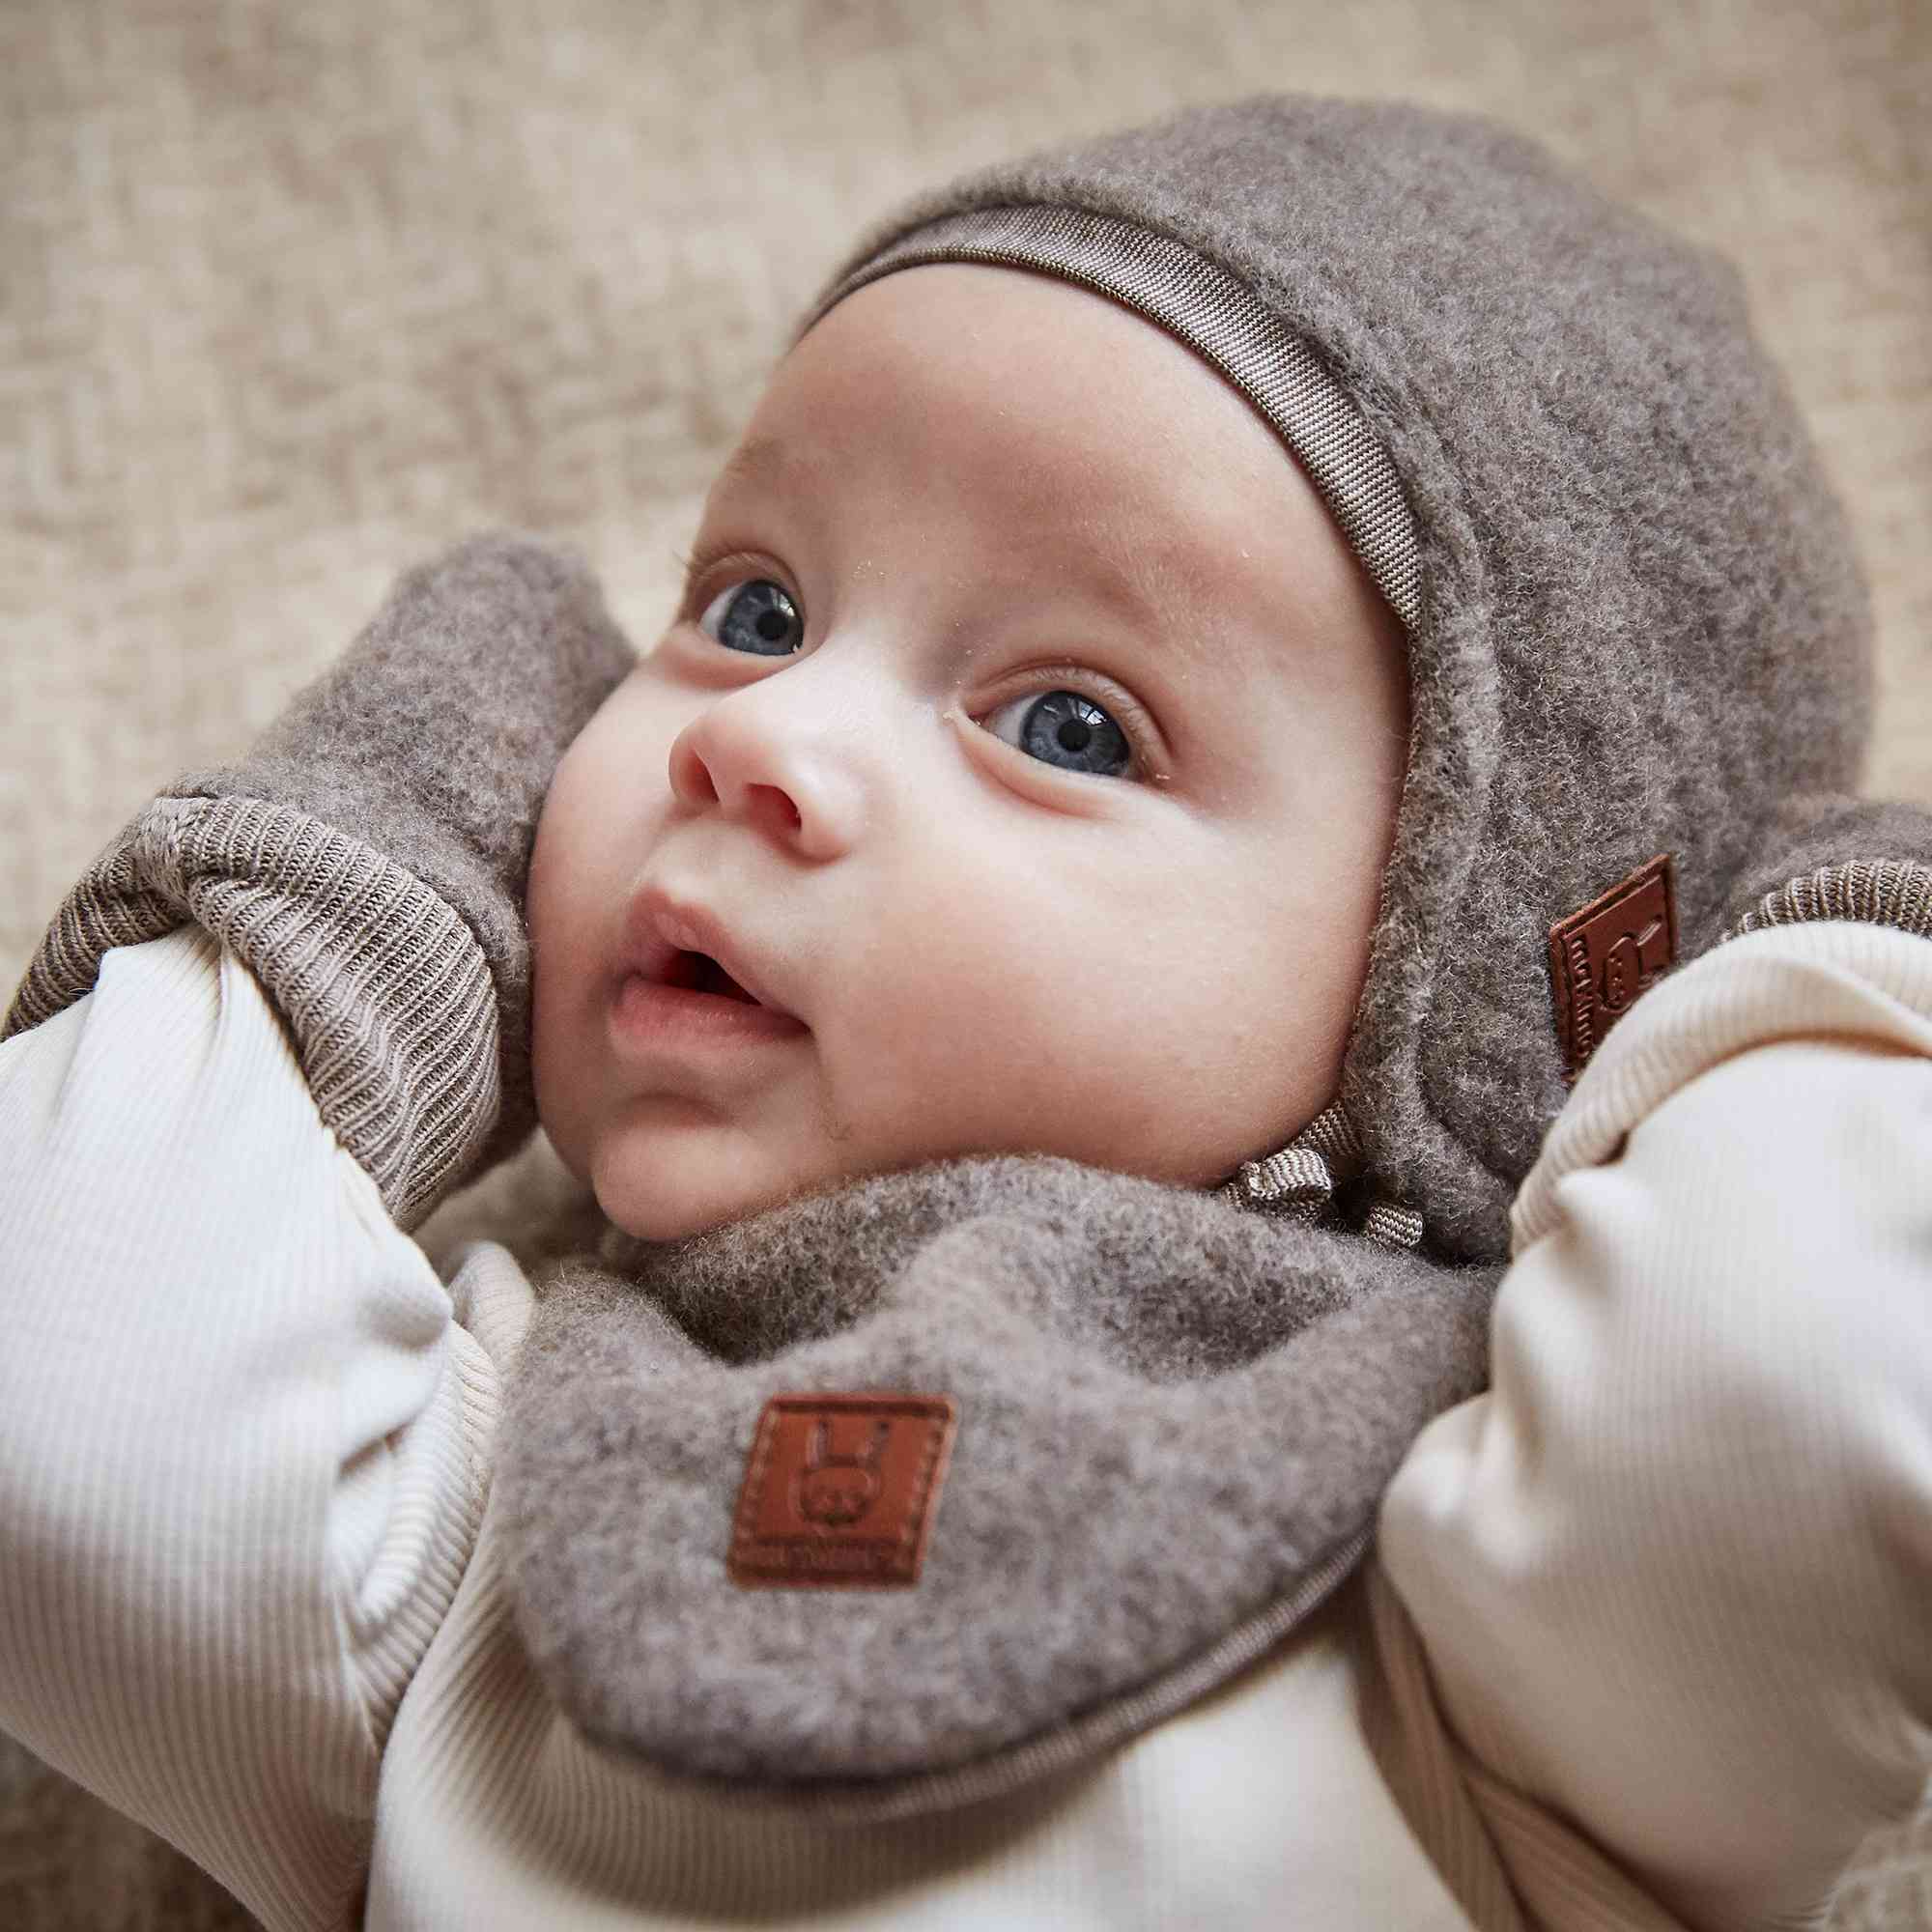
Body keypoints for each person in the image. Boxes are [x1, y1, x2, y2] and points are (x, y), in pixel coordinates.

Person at [3, 91, 1929, 1932]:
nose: (758, 735)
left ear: (1454, 994)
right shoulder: (506, 1515)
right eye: (754, 606)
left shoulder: (1511, 1598)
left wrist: (1839, 969)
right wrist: (379, 890)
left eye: (1065, 724)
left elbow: (1805, 1372)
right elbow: (66, 1414)